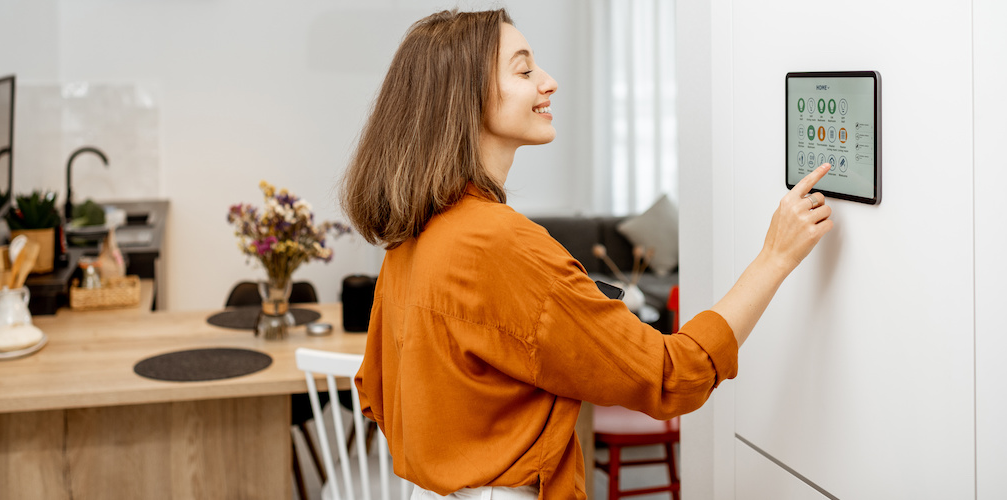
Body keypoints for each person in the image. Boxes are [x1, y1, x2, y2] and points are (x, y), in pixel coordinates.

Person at [340, 9, 833, 500]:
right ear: (464, 97)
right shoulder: (499, 243)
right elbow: (672, 375)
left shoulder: (412, 236)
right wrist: (775, 256)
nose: (549, 82)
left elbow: (376, 393)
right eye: (524, 69)